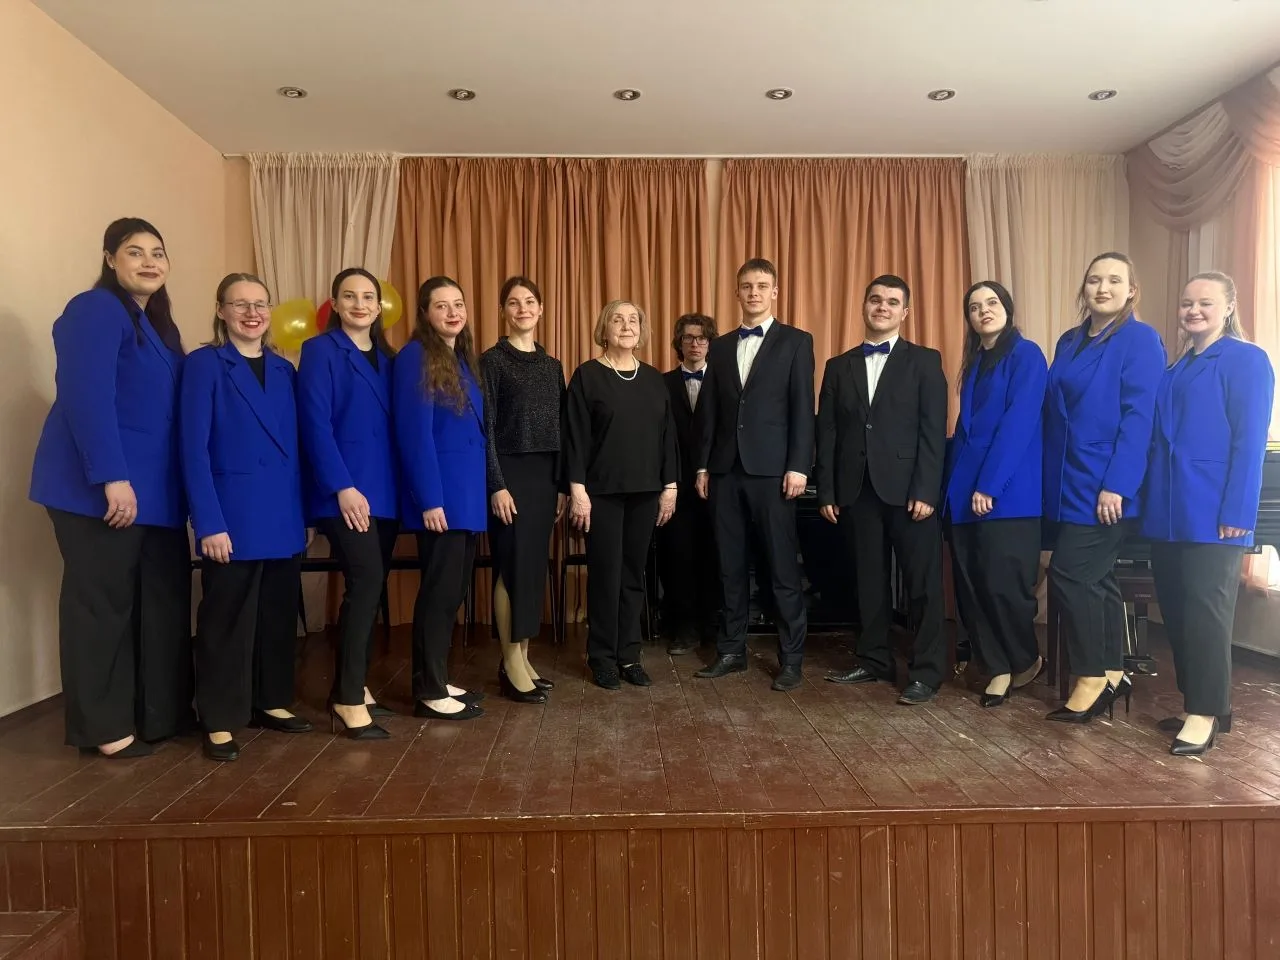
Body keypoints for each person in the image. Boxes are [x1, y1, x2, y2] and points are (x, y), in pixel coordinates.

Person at [30, 217, 193, 758]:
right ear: (109, 259)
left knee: (152, 605)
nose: (149, 261)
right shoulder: (95, 308)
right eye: (134, 251)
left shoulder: (158, 328)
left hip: (152, 496)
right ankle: (103, 729)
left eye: (157, 252)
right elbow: (87, 395)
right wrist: (111, 477)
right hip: (99, 489)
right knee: (100, 606)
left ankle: (154, 716)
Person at [180, 273, 311, 762]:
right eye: (240, 304)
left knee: (277, 614)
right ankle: (218, 718)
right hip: (231, 515)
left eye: (260, 304)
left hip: (282, 511)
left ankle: (270, 701)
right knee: (226, 620)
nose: (252, 313)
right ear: (221, 311)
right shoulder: (204, 365)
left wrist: (303, 515)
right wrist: (208, 522)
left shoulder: (284, 370)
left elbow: (295, 449)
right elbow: (192, 449)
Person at [1143, 271, 1273, 755]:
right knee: (1177, 611)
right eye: (1186, 303)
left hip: (1216, 511)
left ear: (1229, 307)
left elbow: (1249, 441)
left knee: (1206, 615)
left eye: (1205, 303)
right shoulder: (1177, 368)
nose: (1193, 311)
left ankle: (1206, 711)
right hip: (1168, 511)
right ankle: (1199, 703)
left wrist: (1238, 509)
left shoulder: (1246, 359)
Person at [1044, 252, 1165, 723]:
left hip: (1108, 483)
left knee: (1070, 573)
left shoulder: (1140, 339)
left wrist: (1118, 484)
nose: (1103, 288)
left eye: (1114, 280)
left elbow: (1140, 418)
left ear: (1131, 290)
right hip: (1068, 479)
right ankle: (1114, 671)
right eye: (1094, 280)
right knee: (1096, 578)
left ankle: (1091, 675)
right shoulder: (1069, 340)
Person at [816, 275, 948, 704]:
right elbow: (828, 433)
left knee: (922, 585)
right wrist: (827, 491)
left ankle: (927, 671)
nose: (883, 307)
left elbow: (933, 430)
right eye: (876, 300)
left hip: (911, 492)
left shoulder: (925, 361)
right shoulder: (838, 366)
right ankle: (874, 659)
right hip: (857, 490)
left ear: (904, 312)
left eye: (892, 302)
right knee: (868, 582)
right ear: (864, 306)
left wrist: (926, 490)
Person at [693, 258, 815, 691]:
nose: (754, 293)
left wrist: (798, 465)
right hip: (725, 471)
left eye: (762, 286)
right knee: (729, 566)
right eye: (747, 286)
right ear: (737, 292)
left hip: (773, 472)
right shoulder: (721, 346)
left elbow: (803, 408)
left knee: (781, 568)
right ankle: (731, 652)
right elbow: (709, 412)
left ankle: (791, 659)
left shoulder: (797, 341)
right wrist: (703, 464)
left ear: (774, 292)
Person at [298, 267, 398, 739]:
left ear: (379, 307)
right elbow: (314, 424)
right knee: (366, 580)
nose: (360, 304)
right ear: (335, 304)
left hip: (386, 493)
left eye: (368, 297)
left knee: (371, 589)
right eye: (349, 296)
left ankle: (355, 683)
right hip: (344, 491)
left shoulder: (389, 358)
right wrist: (341, 486)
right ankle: (346, 698)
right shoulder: (320, 350)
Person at [942, 281, 1048, 707]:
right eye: (974, 306)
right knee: (972, 589)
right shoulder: (975, 363)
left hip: (1008, 494)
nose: (983, 310)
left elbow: (1019, 424)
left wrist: (989, 485)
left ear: (1007, 308)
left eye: (991, 303)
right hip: (963, 494)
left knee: (1005, 586)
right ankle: (997, 668)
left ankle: (1024, 658)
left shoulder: (1027, 355)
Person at [564, 300, 678, 689]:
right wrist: (577, 489)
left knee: (633, 575)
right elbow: (575, 437)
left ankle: (629, 655)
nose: (627, 326)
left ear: (641, 330)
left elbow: (667, 437)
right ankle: (602, 657)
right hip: (601, 493)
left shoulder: (654, 379)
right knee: (605, 575)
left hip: (646, 492)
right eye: (618, 319)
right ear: (605, 328)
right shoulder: (587, 376)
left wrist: (670, 486)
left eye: (633, 320)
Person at [393, 276, 487, 720]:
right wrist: (430, 500)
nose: (453, 312)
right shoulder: (415, 355)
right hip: (443, 500)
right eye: (442, 305)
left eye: (458, 304)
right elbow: (415, 435)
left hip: (467, 497)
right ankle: (428, 691)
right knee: (438, 594)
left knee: (452, 594)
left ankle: (438, 677)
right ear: (425, 313)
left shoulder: (461, 358)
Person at [481, 276, 565, 704]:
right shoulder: (491, 362)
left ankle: (524, 658)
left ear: (541, 308)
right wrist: (496, 485)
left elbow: (563, 429)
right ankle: (510, 663)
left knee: (531, 569)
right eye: (513, 303)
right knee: (511, 567)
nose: (522, 309)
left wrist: (563, 485)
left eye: (529, 301)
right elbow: (485, 428)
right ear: (503, 311)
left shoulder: (553, 365)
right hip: (509, 474)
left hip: (545, 476)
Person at [659, 312, 721, 656]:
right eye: (688, 338)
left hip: (717, 483)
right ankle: (682, 629)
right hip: (676, 485)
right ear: (678, 344)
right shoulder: (661, 383)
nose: (695, 344)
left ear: (710, 344)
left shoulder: (725, 381)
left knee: (715, 556)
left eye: (702, 338)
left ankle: (712, 627)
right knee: (678, 557)